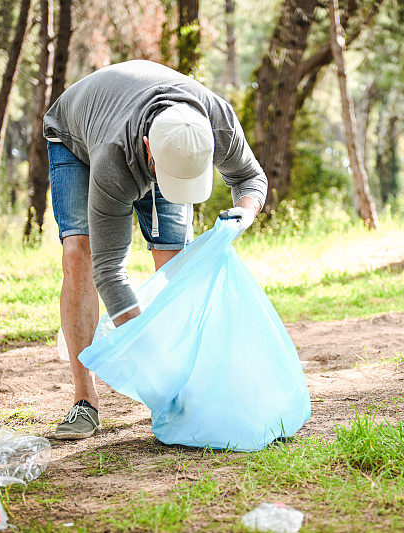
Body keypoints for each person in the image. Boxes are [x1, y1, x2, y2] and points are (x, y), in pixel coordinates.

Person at [43, 60, 267, 439]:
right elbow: (109, 270)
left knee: (175, 263)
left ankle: (188, 387)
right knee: (79, 251)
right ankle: (85, 401)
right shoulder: (113, 159)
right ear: (150, 149)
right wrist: (145, 355)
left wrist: (243, 215)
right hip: (76, 133)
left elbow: (250, 177)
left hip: (142, 123)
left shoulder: (217, 123)